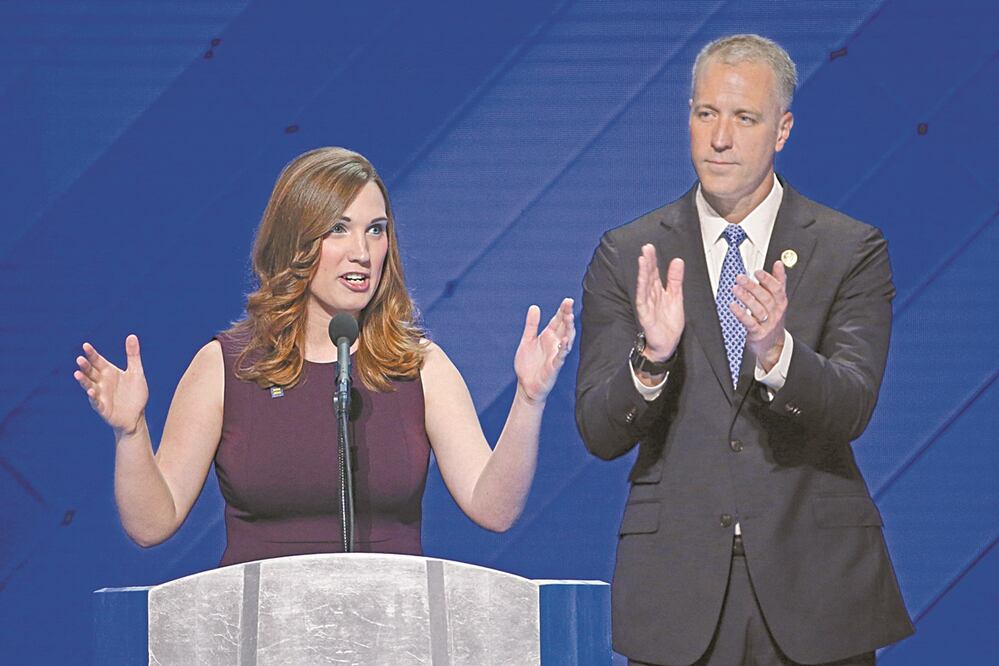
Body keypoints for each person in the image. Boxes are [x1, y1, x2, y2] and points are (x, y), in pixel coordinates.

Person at [575, 35, 913, 666]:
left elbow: (852, 406)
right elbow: (598, 429)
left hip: (815, 587)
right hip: (678, 591)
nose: (720, 138)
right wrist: (652, 358)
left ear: (782, 129)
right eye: (706, 114)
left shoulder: (849, 248)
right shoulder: (631, 253)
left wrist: (778, 354)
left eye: (744, 118)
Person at [74, 146, 575, 566]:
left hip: (393, 636)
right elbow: (151, 524)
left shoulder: (418, 366)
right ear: (297, 240)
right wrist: (131, 431)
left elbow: (494, 509)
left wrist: (529, 401)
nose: (362, 250)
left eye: (376, 229)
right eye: (339, 228)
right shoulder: (226, 367)